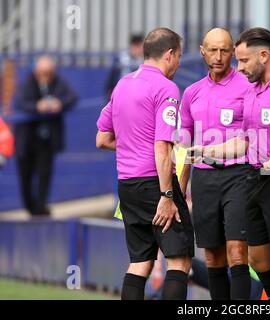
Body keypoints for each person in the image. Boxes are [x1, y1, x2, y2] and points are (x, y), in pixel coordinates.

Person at [188, 27, 270, 300]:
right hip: (254, 179)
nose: (238, 68)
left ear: (264, 55)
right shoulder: (252, 91)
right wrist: (206, 150)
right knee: (258, 260)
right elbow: (245, 142)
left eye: (244, 60)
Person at [96, 28, 194, 300]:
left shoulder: (123, 84)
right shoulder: (166, 88)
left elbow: (102, 138)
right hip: (155, 184)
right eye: (179, 56)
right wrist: (167, 195)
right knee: (179, 261)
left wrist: (132, 145)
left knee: (140, 263)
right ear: (170, 54)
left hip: (127, 186)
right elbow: (162, 146)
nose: (178, 63)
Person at [178, 28, 253, 300]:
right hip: (204, 179)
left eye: (224, 50)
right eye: (213, 50)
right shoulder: (192, 93)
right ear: (202, 51)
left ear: (233, 52)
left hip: (239, 176)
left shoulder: (248, 87)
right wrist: (177, 193)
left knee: (236, 251)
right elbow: (183, 148)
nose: (219, 56)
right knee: (212, 255)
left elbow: (251, 138)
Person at [15, 55, 78, 216]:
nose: (46, 76)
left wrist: (60, 103)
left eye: (48, 72)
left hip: (47, 139)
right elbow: (21, 102)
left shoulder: (57, 81)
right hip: (27, 139)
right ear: (36, 71)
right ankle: (31, 207)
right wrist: (37, 106)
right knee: (25, 175)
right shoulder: (28, 82)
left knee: (45, 173)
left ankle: (41, 207)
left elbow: (72, 97)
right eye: (43, 72)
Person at [105, 34, 145, 98]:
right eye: (138, 46)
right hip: (121, 95)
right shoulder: (120, 59)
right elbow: (111, 81)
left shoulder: (145, 61)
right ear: (132, 46)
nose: (141, 50)